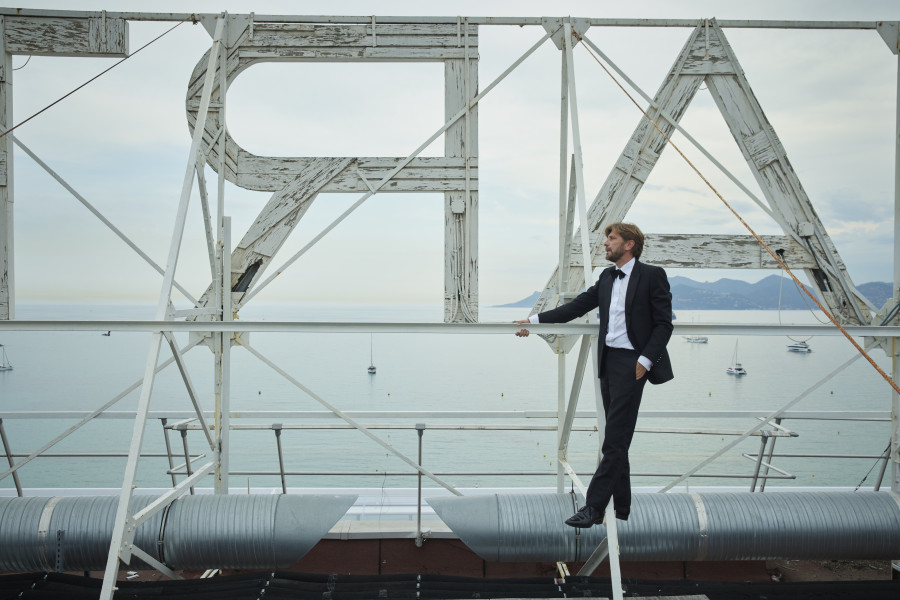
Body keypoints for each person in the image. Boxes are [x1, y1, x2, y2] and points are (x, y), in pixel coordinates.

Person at [515, 222, 673, 528]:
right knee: (617, 437)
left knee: (613, 440)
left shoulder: (653, 275)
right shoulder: (607, 277)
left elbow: (664, 324)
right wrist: (533, 322)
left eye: (611, 238)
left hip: (633, 364)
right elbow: (575, 308)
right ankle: (622, 506)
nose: (605, 244)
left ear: (629, 244)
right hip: (608, 362)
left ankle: (593, 507)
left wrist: (644, 360)